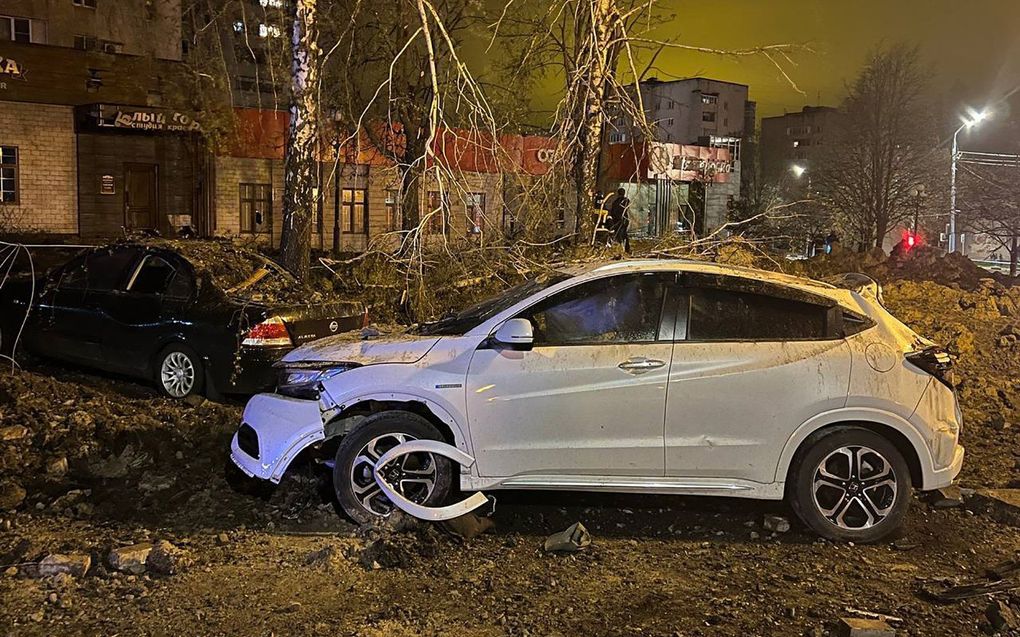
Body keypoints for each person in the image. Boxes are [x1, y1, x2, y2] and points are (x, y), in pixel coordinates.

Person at [607, 188, 631, 253]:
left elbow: (613, 212)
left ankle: (622, 248)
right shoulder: (626, 200)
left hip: (617, 220)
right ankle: (625, 249)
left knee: (619, 234)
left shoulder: (615, 202)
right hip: (623, 219)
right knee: (623, 234)